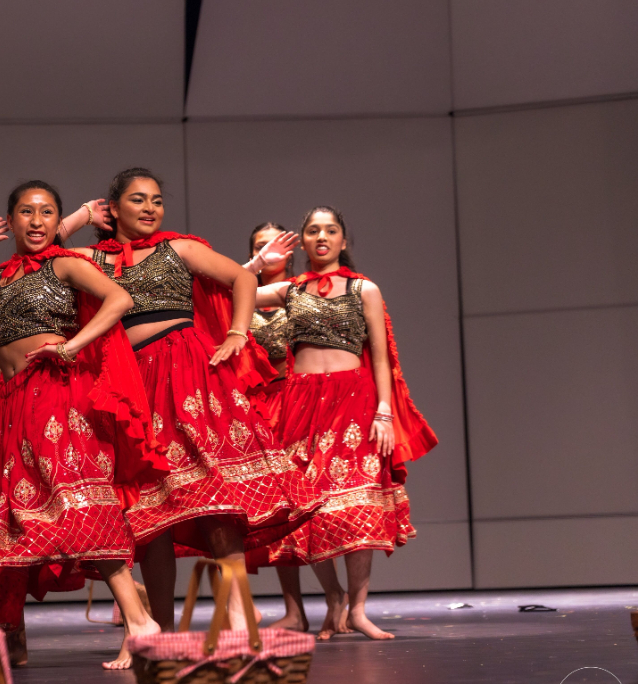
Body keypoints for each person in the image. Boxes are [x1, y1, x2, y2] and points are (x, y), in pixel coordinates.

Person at [0, 180, 164, 669]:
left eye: (46, 212)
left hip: (56, 395)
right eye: (26, 213)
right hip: (11, 405)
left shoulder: (65, 263)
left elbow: (119, 301)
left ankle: (139, 619)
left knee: (78, 498)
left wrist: (71, 346)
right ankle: (19, 633)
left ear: (57, 221)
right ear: (10, 222)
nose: (36, 221)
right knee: (16, 513)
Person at [70, 169, 317, 636]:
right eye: (138, 200)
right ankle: (160, 628)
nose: (149, 209)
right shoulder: (89, 258)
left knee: (215, 495)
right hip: (132, 383)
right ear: (114, 208)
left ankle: (242, 616)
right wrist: (83, 217)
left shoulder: (178, 248)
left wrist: (238, 333)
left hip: (187, 373)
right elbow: (37, 254)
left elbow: (240, 280)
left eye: (157, 201)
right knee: (153, 508)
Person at [251, 206, 437, 640]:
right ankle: (333, 597)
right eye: (312, 230)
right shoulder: (289, 290)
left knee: (359, 505)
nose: (321, 236)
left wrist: (385, 411)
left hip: (355, 402)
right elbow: (228, 293)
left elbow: (381, 356)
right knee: (307, 507)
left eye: (330, 230)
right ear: (302, 240)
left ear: (342, 240)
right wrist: (259, 264)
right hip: (302, 406)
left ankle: (357, 610)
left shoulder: (363, 288)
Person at [244, 222, 300, 430]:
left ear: (291, 254)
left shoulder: (304, 292)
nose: (269, 251)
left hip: (294, 400)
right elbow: (213, 294)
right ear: (252, 255)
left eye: (277, 245)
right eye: (261, 247)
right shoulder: (236, 295)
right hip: (252, 402)